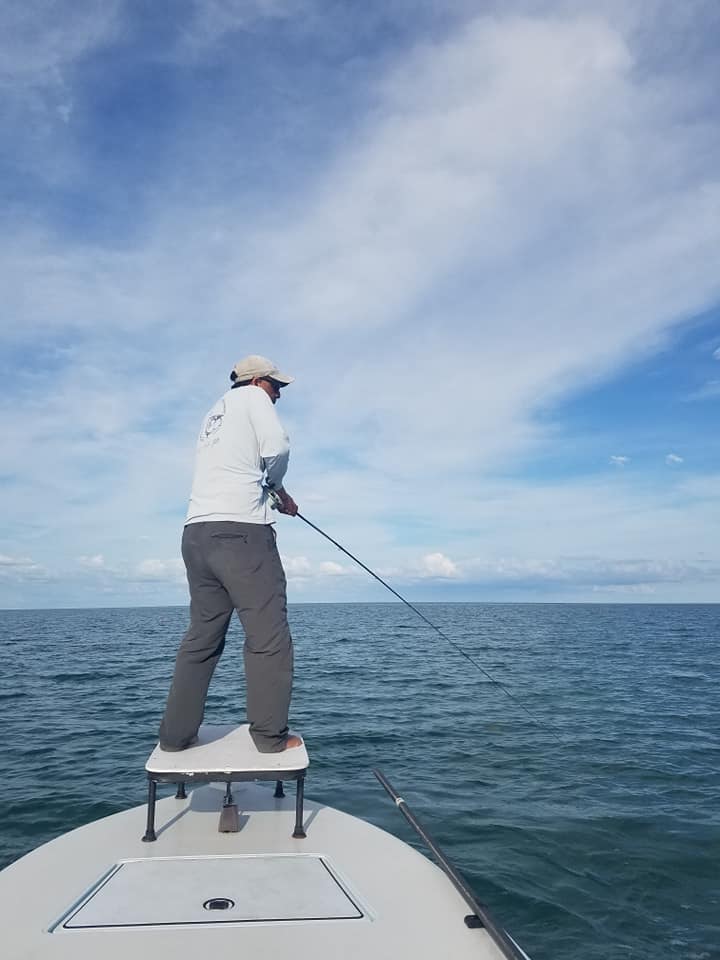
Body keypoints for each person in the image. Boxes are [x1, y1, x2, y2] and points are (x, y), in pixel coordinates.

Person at [158, 355, 302, 753]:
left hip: (196, 536)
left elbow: (234, 468)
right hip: (241, 536)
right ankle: (270, 738)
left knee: (201, 638)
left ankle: (175, 737)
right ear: (256, 381)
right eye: (276, 386)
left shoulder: (213, 414)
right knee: (268, 637)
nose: (278, 394)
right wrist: (278, 488)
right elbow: (277, 448)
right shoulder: (254, 400)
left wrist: (273, 494)